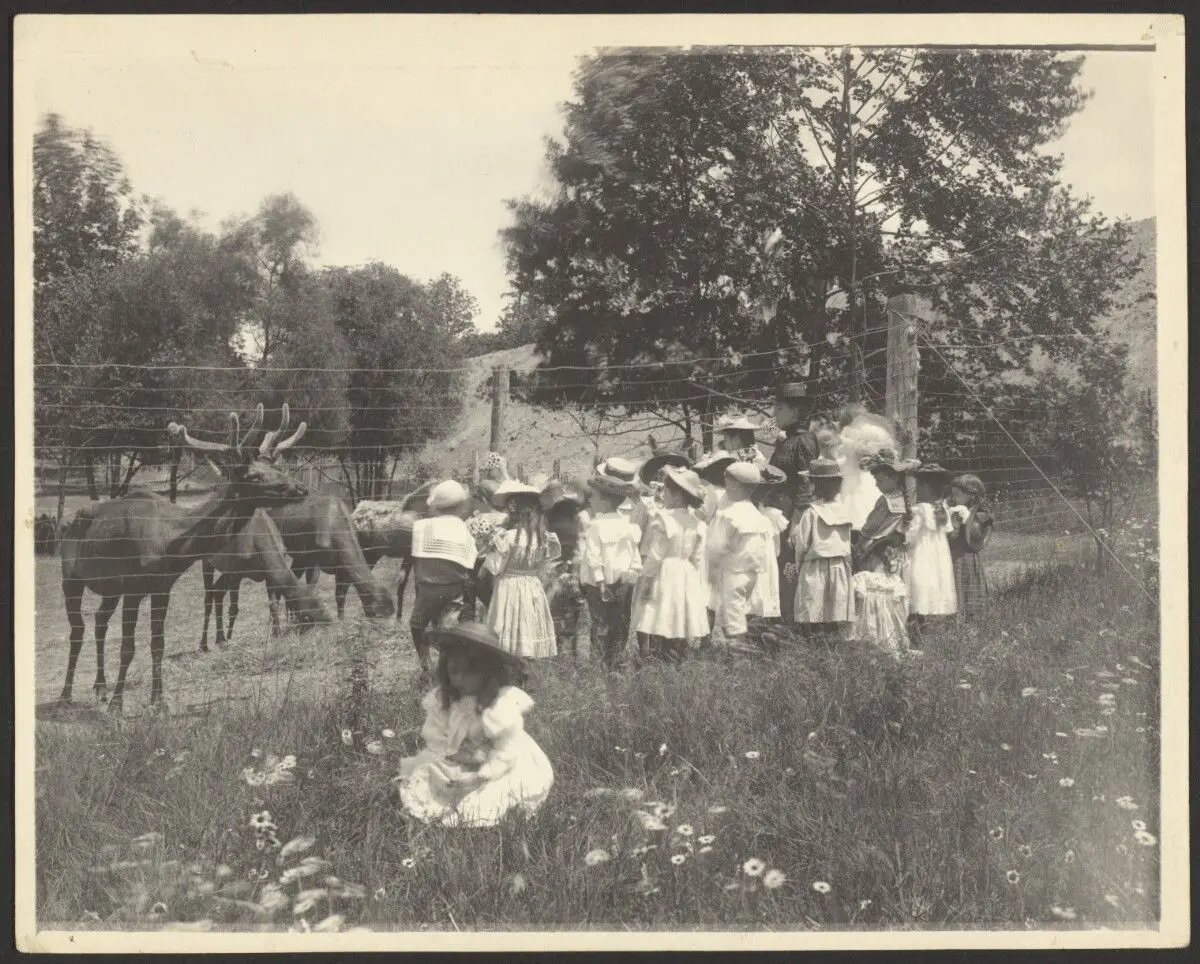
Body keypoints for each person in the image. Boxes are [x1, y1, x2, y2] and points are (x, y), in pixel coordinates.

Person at [391, 621, 553, 828]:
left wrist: (481, 773)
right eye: (453, 670)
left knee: (497, 793)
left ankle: (475, 812)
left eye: (469, 672)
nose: (459, 678)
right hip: (457, 754)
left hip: (498, 761)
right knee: (428, 774)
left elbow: (508, 748)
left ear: (488, 672)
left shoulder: (500, 705)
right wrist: (454, 753)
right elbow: (434, 733)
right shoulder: (444, 699)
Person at [632, 466, 709, 662]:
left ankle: (661, 655)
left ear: (676, 496)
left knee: (659, 612)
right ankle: (677, 655)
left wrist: (646, 580)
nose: (661, 494)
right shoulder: (697, 523)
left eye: (665, 491)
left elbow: (656, 554)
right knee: (679, 613)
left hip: (664, 570)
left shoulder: (664, 519)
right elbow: (697, 556)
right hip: (685, 571)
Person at [851, 449, 919, 652]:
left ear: (893, 478)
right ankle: (895, 634)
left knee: (876, 591)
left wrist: (858, 543)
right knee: (892, 592)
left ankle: (876, 636)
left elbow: (871, 527)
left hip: (877, 550)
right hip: (896, 553)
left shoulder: (886, 500)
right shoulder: (904, 501)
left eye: (880, 479)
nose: (876, 484)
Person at [483, 480, 560, 659]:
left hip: (509, 586)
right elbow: (544, 564)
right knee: (527, 624)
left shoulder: (507, 538)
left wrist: (489, 549)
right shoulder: (543, 538)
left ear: (512, 510)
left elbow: (494, 567)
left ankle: (509, 665)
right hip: (532, 585)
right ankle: (526, 667)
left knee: (509, 624)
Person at [409, 479, 479, 675]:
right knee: (448, 627)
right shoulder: (462, 527)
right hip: (455, 586)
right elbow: (470, 560)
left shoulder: (422, 526)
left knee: (417, 624)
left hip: (429, 588)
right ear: (460, 506)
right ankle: (445, 668)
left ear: (435, 506)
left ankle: (425, 664)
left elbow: (417, 558)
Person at [790, 433, 855, 642]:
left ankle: (815, 643)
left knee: (814, 606)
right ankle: (832, 641)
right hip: (839, 565)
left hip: (815, 565)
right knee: (834, 606)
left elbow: (802, 543)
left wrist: (798, 565)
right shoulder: (844, 510)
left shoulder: (811, 512)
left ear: (814, 485)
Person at [705, 461, 774, 655]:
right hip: (752, 574)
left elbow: (716, 547)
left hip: (733, 573)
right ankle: (735, 651)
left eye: (727, 481)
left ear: (735, 485)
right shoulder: (758, 516)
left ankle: (739, 658)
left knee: (732, 616)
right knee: (740, 612)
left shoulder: (727, 514)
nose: (725, 485)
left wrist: (711, 571)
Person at [580, 465, 643, 667]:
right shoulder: (628, 525)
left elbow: (593, 556)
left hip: (600, 584)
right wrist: (631, 575)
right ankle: (615, 661)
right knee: (619, 621)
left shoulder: (596, 526)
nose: (590, 500)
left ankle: (599, 663)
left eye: (594, 497)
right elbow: (634, 555)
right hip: (623, 582)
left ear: (604, 502)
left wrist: (600, 582)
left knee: (600, 623)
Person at [768, 383, 820, 622]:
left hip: (793, 514)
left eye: (779, 408)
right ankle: (774, 621)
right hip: (776, 511)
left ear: (795, 411)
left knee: (789, 565)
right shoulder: (783, 441)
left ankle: (790, 624)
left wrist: (797, 523)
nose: (774, 414)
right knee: (775, 565)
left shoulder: (806, 441)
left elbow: (806, 485)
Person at [906, 463, 959, 634]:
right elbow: (950, 532)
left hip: (922, 552)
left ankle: (917, 623)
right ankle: (928, 624)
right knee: (935, 581)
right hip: (938, 553)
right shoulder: (942, 507)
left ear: (924, 487)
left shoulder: (919, 510)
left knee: (920, 581)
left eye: (919, 486)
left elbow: (909, 534)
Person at [540, 479, 589, 657]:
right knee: (572, 611)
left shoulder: (547, 518)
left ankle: (557, 650)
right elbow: (580, 544)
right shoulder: (576, 518)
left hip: (554, 569)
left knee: (555, 610)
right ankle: (570, 652)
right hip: (572, 568)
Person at [749, 465, 790, 648]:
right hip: (760, 566)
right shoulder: (768, 516)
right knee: (756, 599)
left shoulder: (771, 516)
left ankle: (759, 639)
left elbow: (777, 549)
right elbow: (776, 550)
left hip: (760, 567)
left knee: (757, 600)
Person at [947, 473, 993, 621]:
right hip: (953, 555)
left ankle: (973, 619)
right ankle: (956, 618)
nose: (953, 498)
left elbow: (978, 534)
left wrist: (967, 517)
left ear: (971, 495)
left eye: (957, 494)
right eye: (952, 494)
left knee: (969, 584)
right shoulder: (953, 507)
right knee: (955, 584)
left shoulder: (981, 510)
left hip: (967, 556)